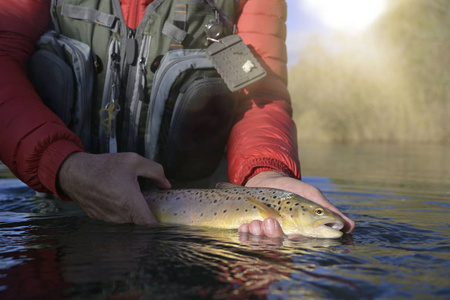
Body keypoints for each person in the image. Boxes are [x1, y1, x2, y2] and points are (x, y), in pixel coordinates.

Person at [0, 0, 355, 237]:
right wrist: (63, 165)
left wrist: (267, 173)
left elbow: (259, 95)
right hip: (61, 210)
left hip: (192, 229)